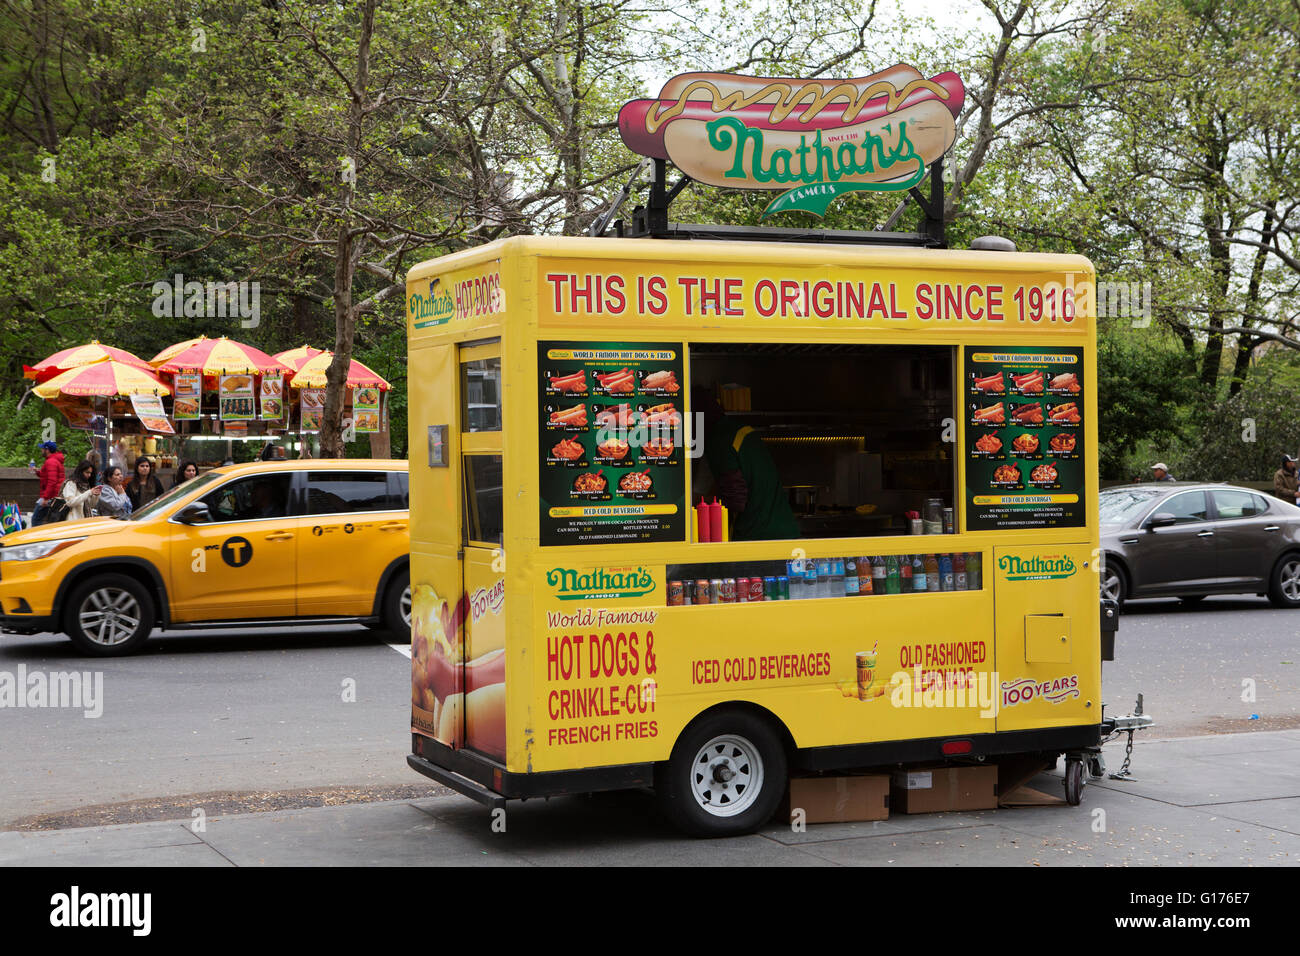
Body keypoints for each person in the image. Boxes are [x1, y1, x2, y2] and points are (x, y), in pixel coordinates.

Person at [694, 387, 800, 540]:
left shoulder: (720, 441)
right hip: (784, 531)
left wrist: (695, 503)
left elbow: (735, 499)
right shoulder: (741, 431)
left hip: (759, 538)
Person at [31, 441, 65, 526]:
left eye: (42, 448)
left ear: (47, 450)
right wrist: (37, 471)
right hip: (53, 496)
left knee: (36, 520)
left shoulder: (51, 462)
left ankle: (37, 538)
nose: (41, 450)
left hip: (50, 497)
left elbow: (52, 481)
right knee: (47, 521)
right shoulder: (54, 461)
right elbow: (47, 476)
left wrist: (46, 498)